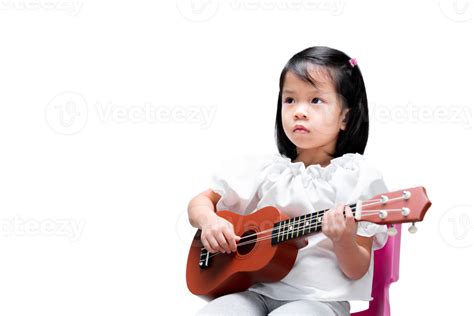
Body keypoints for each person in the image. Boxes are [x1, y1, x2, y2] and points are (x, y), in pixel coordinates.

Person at [187, 46, 389, 316]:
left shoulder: (358, 178)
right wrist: (209, 222)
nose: (299, 112)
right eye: (290, 100)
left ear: (345, 117)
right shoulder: (266, 171)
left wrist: (343, 240)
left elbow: (357, 269)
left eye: (316, 100)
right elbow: (200, 203)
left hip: (319, 302)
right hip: (255, 292)